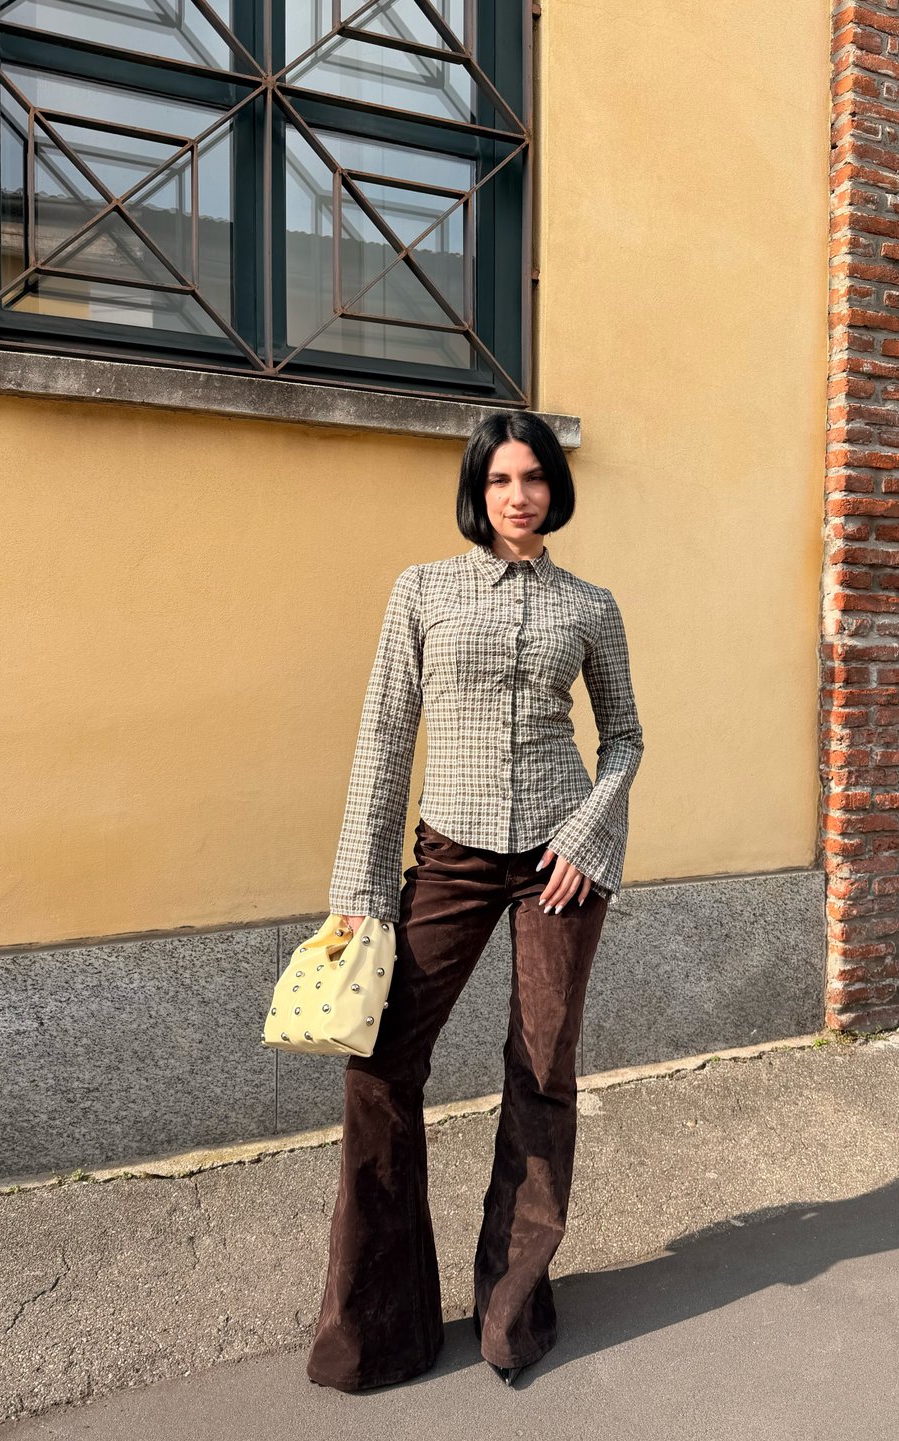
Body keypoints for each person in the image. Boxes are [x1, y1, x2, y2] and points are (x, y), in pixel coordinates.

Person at [306, 409, 644, 1392]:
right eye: (500, 479)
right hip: (448, 853)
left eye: (533, 477)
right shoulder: (423, 590)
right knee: (379, 1061)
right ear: (477, 489)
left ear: (553, 489)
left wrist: (585, 836)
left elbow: (625, 737)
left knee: (542, 1070)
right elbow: (384, 737)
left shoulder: (591, 606)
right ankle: (381, 1325)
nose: (518, 495)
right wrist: (360, 891)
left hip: (557, 862)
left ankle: (512, 1310)